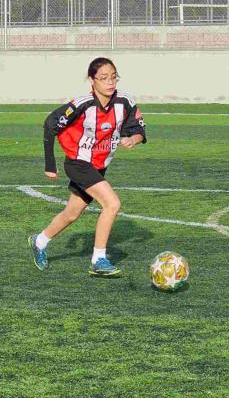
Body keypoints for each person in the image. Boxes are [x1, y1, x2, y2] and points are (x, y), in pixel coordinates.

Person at [30, 57, 147, 277]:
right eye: (103, 78)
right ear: (92, 81)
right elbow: (50, 124)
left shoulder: (125, 103)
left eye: (113, 77)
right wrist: (50, 164)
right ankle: (98, 259)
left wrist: (134, 139)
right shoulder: (81, 104)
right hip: (78, 163)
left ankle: (39, 241)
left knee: (72, 213)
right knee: (112, 204)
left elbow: (138, 129)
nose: (110, 82)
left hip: (98, 166)